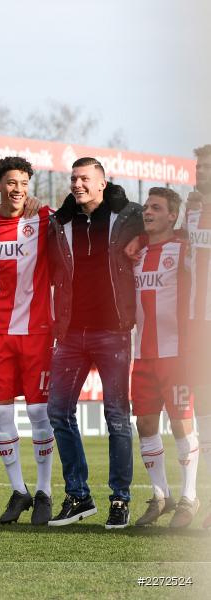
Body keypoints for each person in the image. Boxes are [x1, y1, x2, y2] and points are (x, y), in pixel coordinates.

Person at [46, 157, 143, 529]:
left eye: (84, 178)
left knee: (117, 417)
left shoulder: (129, 216)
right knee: (58, 412)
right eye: (73, 178)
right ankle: (79, 496)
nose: (77, 184)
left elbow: (168, 226)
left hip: (114, 331)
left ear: (102, 183)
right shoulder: (60, 221)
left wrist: (145, 237)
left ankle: (120, 499)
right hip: (70, 333)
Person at [0, 157, 55, 525]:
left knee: (39, 414)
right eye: (10, 182)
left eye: (23, 182)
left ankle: (44, 492)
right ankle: (19, 491)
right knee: (1, 416)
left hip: (37, 331)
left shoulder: (44, 217)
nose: (17, 188)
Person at [128, 188, 199, 528]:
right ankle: (160, 495)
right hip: (142, 355)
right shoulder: (136, 253)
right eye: (146, 207)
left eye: (156, 208)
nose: (148, 211)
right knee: (144, 424)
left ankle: (189, 497)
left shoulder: (184, 249)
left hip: (177, 354)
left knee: (181, 424)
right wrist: (140, 239)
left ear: (173, 215)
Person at [183, 145, 211, 529]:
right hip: (197, 331)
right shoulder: (191, 211)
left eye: (207, 167)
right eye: (198, 166)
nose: (201, 171)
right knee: (204, 421)